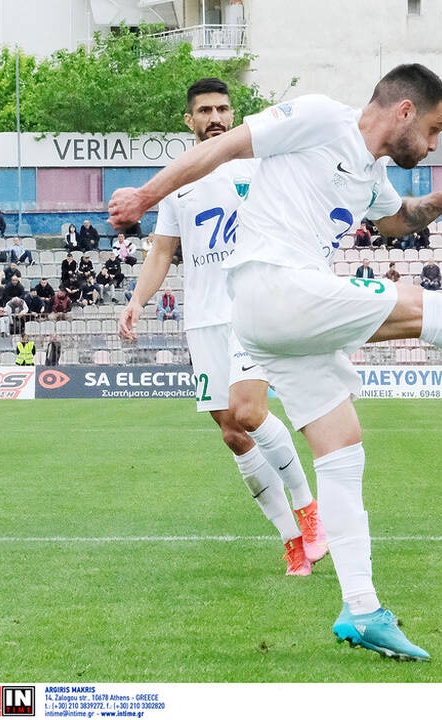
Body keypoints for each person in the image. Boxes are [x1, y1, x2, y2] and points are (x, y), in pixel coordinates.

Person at [107, 63, 442, 662]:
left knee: (341, 449)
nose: (437, 145)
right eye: (437, 130)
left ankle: (361, 609)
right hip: (271, 288)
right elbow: (225, 148)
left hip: (283, 317)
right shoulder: (318, 117)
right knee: (424, 307)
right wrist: (145, 195)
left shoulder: (370, 172)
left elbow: (396, 222)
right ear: (405, 111)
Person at [118, 77, 327, 578]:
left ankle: (309, 510)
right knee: (233, 434)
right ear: (188, 120)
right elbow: (163, 249)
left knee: (250, 412)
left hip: (251, 308)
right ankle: (292, 540)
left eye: (224, 109)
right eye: (206, 110)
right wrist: (137, 300)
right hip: (203, 318)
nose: (216, 117)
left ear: (234, 115)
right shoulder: (176, 180)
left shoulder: (259, 166)